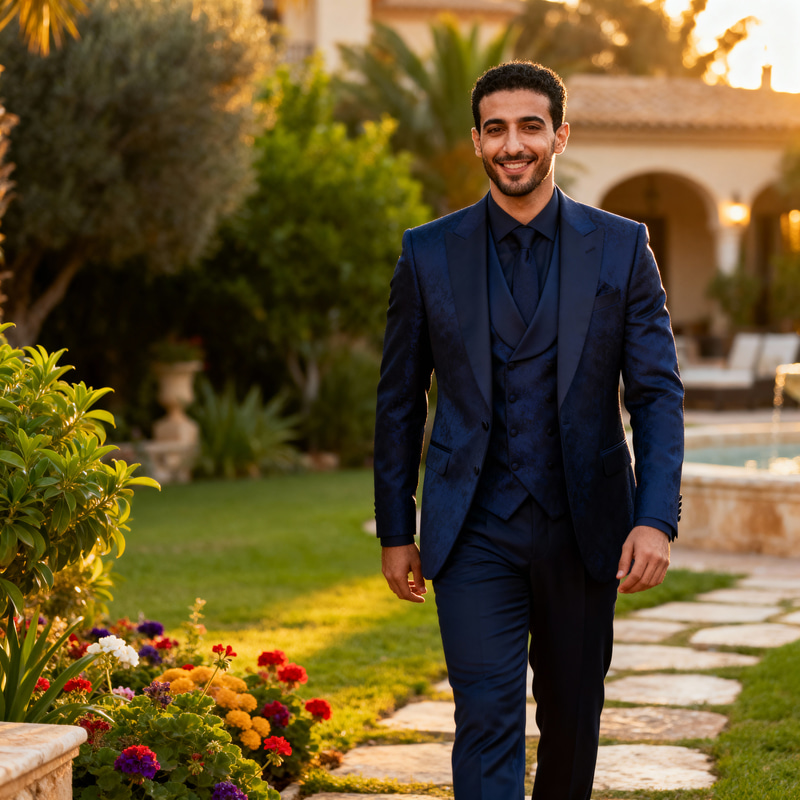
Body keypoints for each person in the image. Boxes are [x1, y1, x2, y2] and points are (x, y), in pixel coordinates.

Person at [373, 61, 684, 800]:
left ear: (559, 136)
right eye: (497, 129)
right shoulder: (427, 252)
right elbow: (398, 398)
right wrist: (396, 528)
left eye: (530, 127)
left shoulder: (620, 246)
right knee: (486, 718)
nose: (514, 144)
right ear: (477, 142)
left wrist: (655, 519)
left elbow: (657, 393)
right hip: (472, 526)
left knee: (574, 720)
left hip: (589, 526)